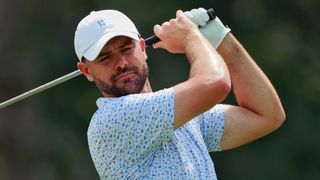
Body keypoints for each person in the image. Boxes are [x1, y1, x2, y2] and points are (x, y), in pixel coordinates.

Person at [74, 7, 285, 179]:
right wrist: (191, 36)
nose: (121, 63)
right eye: (104, 58)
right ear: (86, 71)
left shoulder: (181, 116)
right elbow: (215, 83)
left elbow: (267, 115)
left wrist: (221, 39)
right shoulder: (110, 121)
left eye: (126, 49)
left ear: (143, 48)